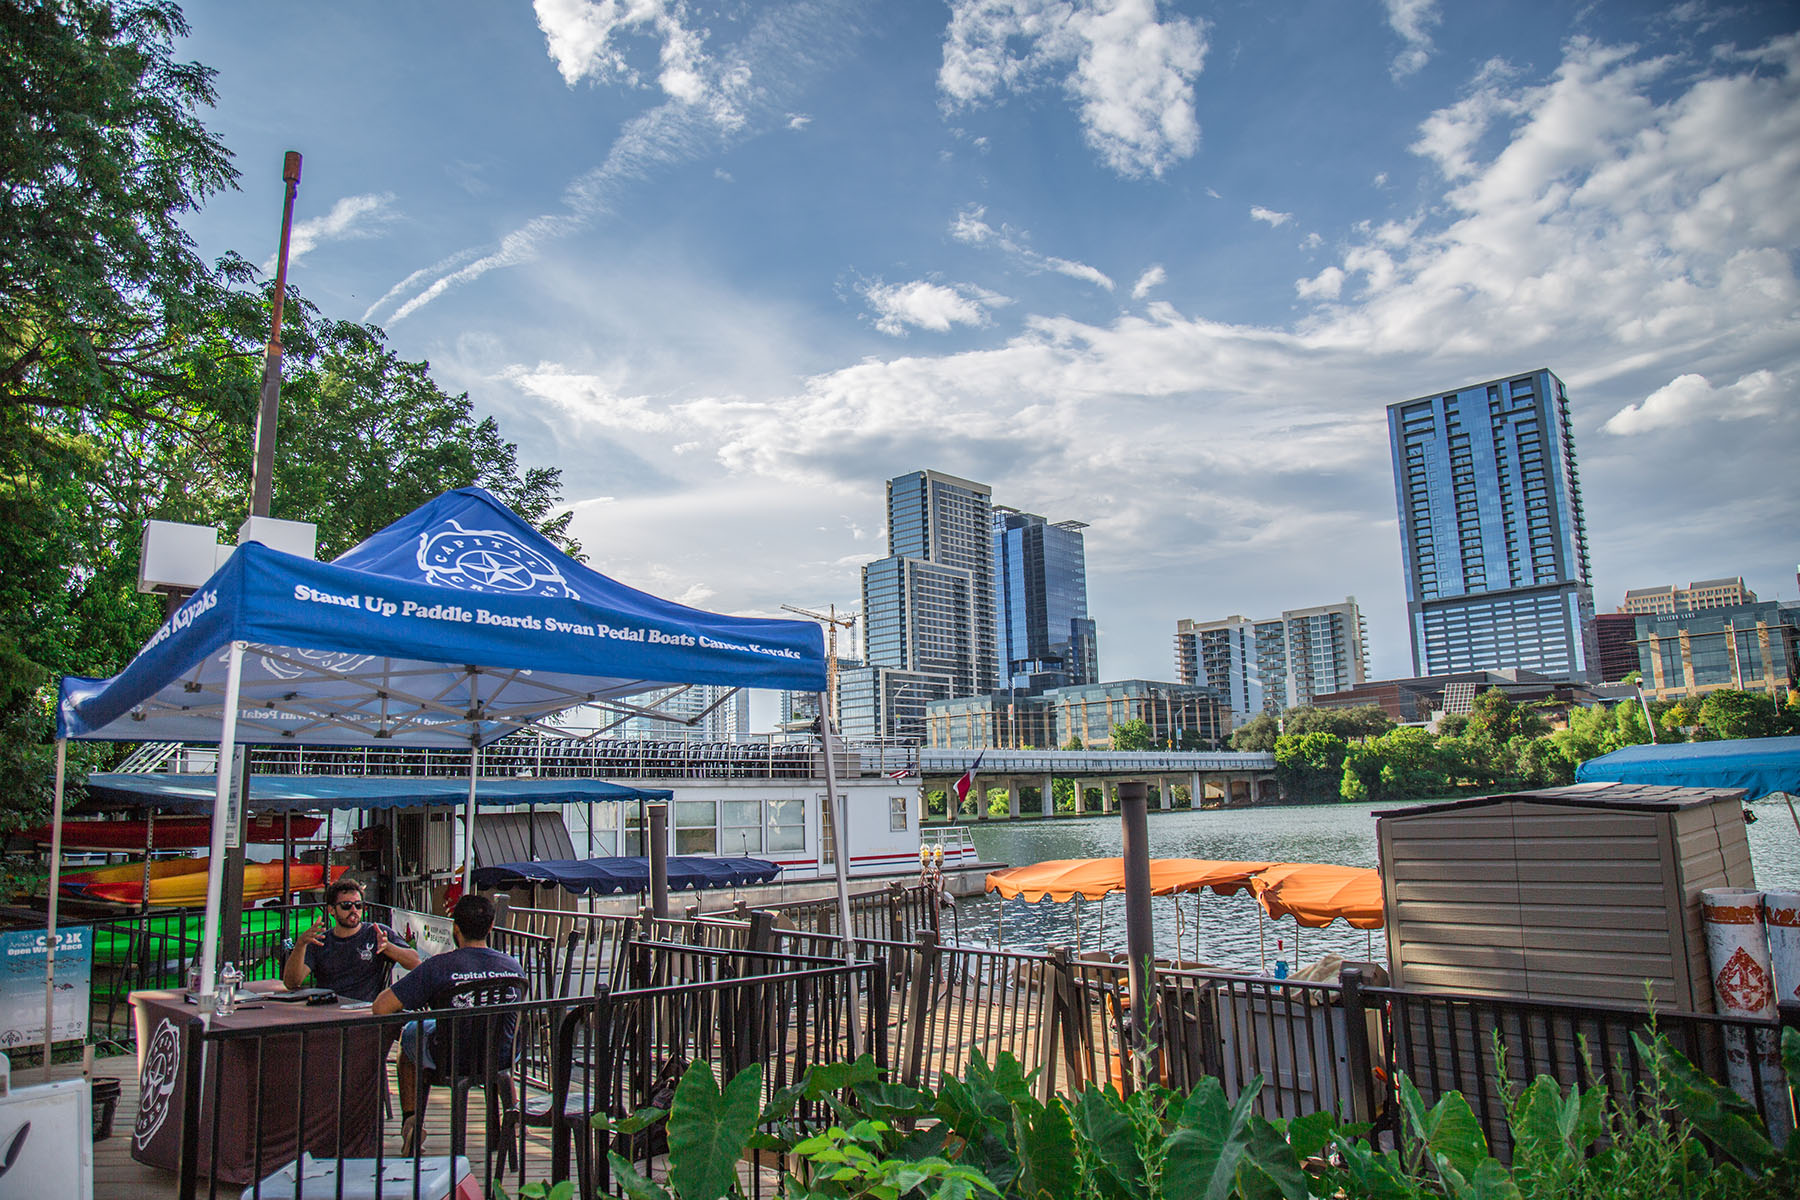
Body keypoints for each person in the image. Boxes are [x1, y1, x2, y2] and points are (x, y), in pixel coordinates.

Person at [373, 894, 526, 1153]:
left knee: (411, 1033)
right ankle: (509, 1116)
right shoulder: (513, 967)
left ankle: (411, 1122)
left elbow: (381, 1007)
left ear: (455, 928)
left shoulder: (438, 967)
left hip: (451, 1057)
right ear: (490, 928)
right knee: (500, 1034)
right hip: (500, 1056)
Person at [282, 878, 420, 1001]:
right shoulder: (320, 941)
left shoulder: (376, 933)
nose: (354, 910)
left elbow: (415, 962)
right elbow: (292, 983)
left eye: (358, 905)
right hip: (328, 1012)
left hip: (364, 1014)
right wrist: (300, 944)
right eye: (346, 905)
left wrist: (388, 947)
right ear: (331, 910)